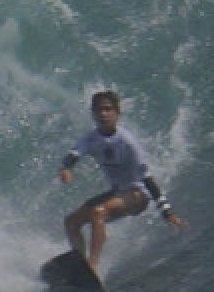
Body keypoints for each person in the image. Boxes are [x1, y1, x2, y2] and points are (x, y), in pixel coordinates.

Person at [60, 90, 188, 269]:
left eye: (108, 109)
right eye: (98, 110)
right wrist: (67, 168)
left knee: (98, 212)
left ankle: (93, 265)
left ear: (117, 114)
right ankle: (80, 265)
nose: (103, 114)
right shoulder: (90, 139)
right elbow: (73, 154)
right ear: (93, 114)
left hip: (138, 195)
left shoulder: (127, 141)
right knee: (71, 222)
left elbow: (148, 179)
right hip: (118, 194)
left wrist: (167, 212)